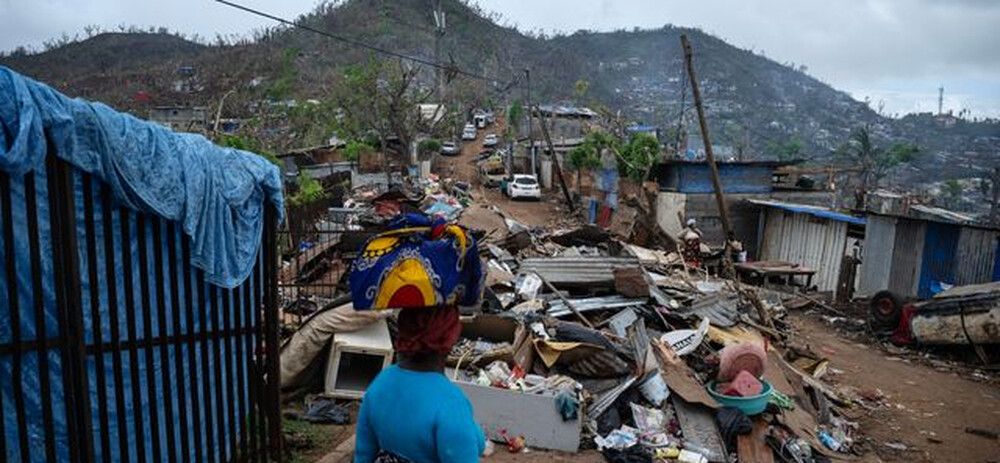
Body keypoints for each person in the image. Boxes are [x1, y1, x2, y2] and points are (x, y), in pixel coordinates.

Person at [355, 305, 485, 463]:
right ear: (450, 340)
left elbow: (363, 453)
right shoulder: (451, 402)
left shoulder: (382, 381)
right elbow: (467, 450)